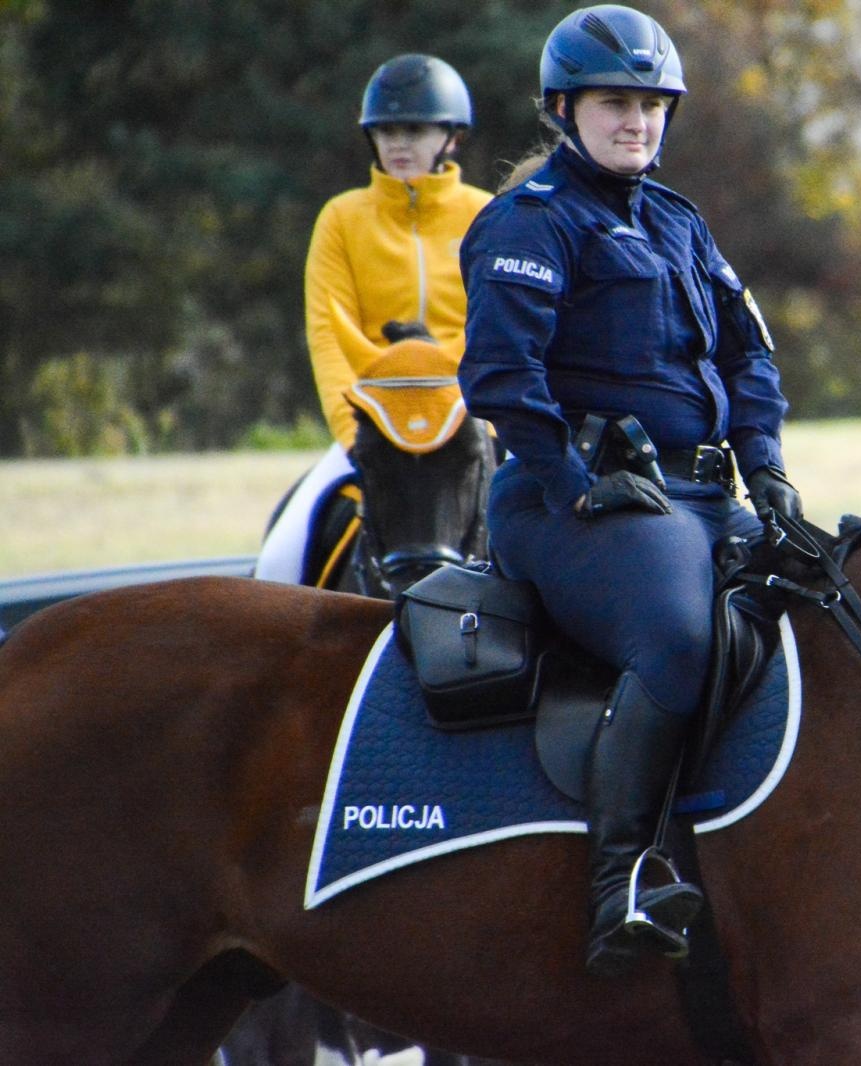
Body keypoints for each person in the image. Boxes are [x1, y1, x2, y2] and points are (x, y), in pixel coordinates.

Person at [456, 4, 799, 978]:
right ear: (564, 109)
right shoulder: (531, 221)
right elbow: (501, 382)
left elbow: (747, 356)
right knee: (679, 639)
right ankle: (624, 883)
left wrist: (765, 466)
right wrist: (573, 479)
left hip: (695, 496)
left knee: (825, 605)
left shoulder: (680, 221)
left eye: (651, 105)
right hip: (566, 502)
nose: (636, 122)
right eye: (616, 103)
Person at [255, 53, 492, 584]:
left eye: (414, 130)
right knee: (278, 561)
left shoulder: (487, 215)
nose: (400, 144)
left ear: (451, 138)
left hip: (470, 425)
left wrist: (491, 425)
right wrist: (353, 435)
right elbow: (327, 334)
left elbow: (502, 328)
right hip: (374, 431)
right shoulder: (341, 219)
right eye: (386, 132)